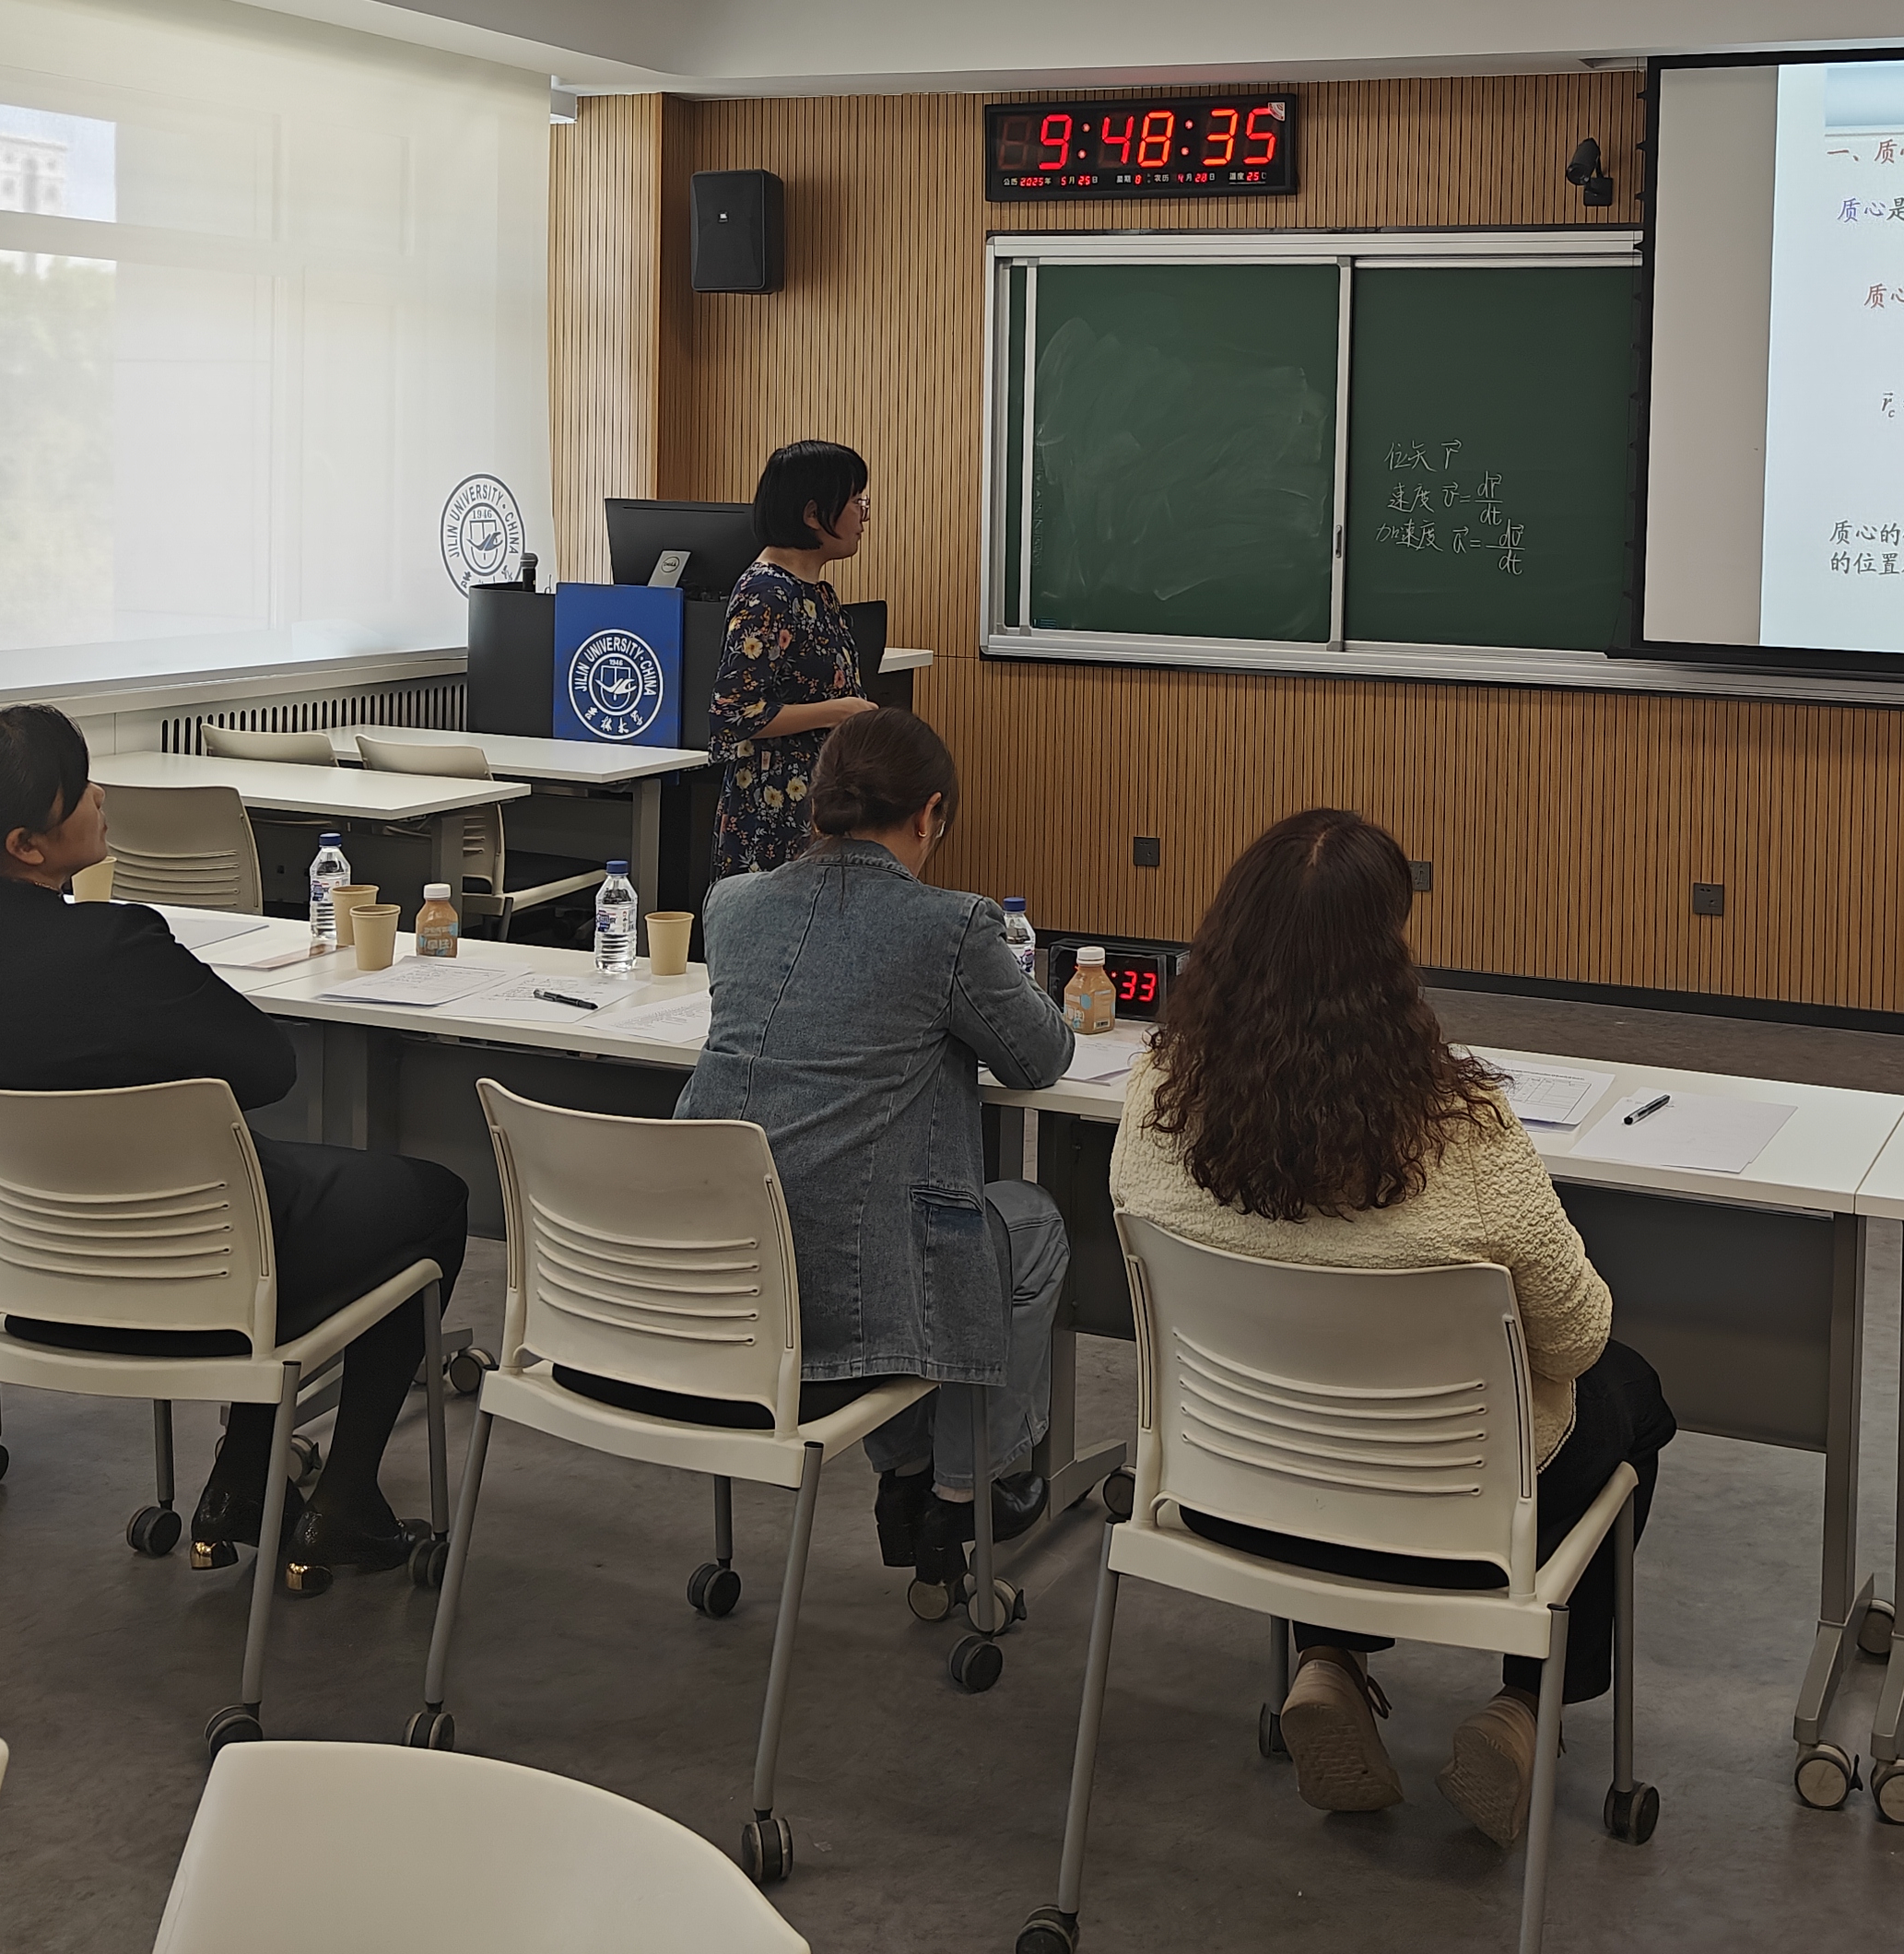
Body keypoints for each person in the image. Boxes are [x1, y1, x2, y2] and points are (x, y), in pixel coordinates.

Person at [1110, 807, 1677, 1849]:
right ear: (1388, 957)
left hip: (1229, 1497)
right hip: (1452, 1526)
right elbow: (1575, 1338)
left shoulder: (1155, 1096)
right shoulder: (1465, 1131)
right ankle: (1525, 1704)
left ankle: (1326, 1660)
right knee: (1629, 1396)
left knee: (1312, 1380)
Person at [0, 704, 467, 1584]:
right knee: (431, 1199)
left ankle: (245, 1480)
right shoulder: (114, 947)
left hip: (31, 1282)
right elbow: (268, 1069)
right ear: (25, 845)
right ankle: (342, 1500)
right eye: (80, 788)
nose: (100, 797)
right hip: (188, 1276)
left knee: (282, 1203)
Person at [674, 708, 1073, 1592]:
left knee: (884, 1171)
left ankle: (906, 1471)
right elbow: (1040, 1057)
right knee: (1026, 1224)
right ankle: (968, 1485)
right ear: (929, 815)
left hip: (716, 1291)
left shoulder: (733, 905)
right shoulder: (951, 926)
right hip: (844, 1306)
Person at [708, 437, 877, 877]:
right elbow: (734, 712)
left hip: (818, 794)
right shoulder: (766, 593)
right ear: (812, 514)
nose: (863, 516)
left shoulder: (818, 592)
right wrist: (840, 711)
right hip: (775, 806)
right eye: (855, 502)